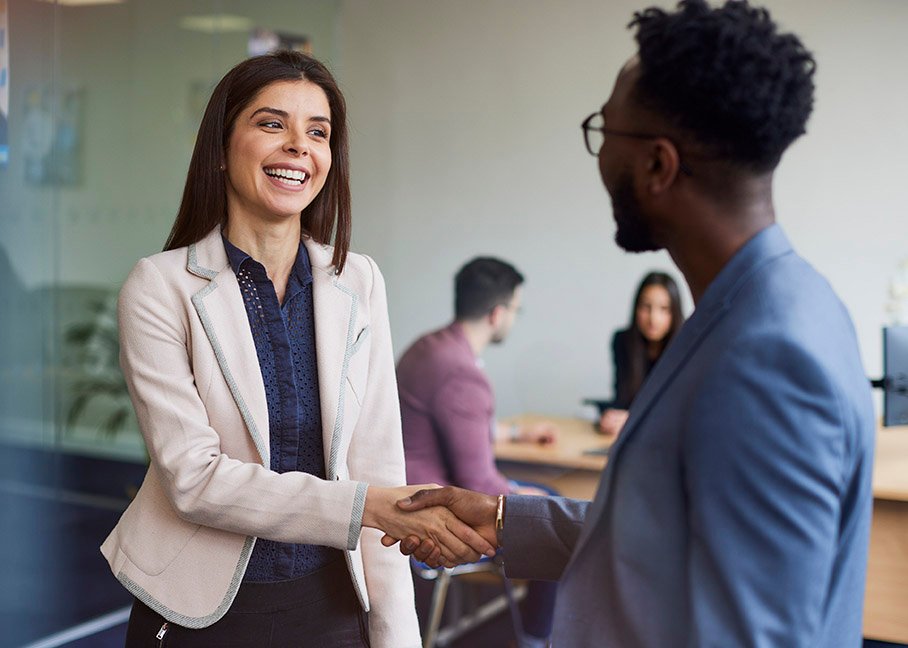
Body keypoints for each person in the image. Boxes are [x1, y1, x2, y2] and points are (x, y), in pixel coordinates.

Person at [387, 2, 876, 646]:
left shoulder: (768, 356)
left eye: (604, 133)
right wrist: (503, 519)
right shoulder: (754, 307)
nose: (599, 159)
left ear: (657, 165)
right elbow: (661, 532)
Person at [100, 51, 492, 648]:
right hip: (196, 611)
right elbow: (194, 480)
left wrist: (396, 634)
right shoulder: (160, 286)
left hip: (332, 606)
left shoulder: (359, 281)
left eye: (318, 132)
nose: (298, 147)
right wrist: (368, 508)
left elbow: (379, 464)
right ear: (222, 144)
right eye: (271, 123)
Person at [396, 257, 558, 647]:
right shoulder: (463, 373)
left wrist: (517, 432)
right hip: (435, 506)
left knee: (542, 497)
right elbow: (480, 484)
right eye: (516, 310)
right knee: (553, 513)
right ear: (498, 313)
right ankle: (538, 638)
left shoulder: (429, 346)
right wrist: (526, 499)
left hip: (408, 489)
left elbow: (459, 424)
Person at [599, 271, 683, 436]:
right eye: (646, 307)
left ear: (675, 313)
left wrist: (632, 421)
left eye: (664, 309)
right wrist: (612, 416)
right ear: (636, 308)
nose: (653, 318)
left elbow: (680, 412)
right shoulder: (623, 341)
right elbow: (622, 399)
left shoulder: (685, 347)